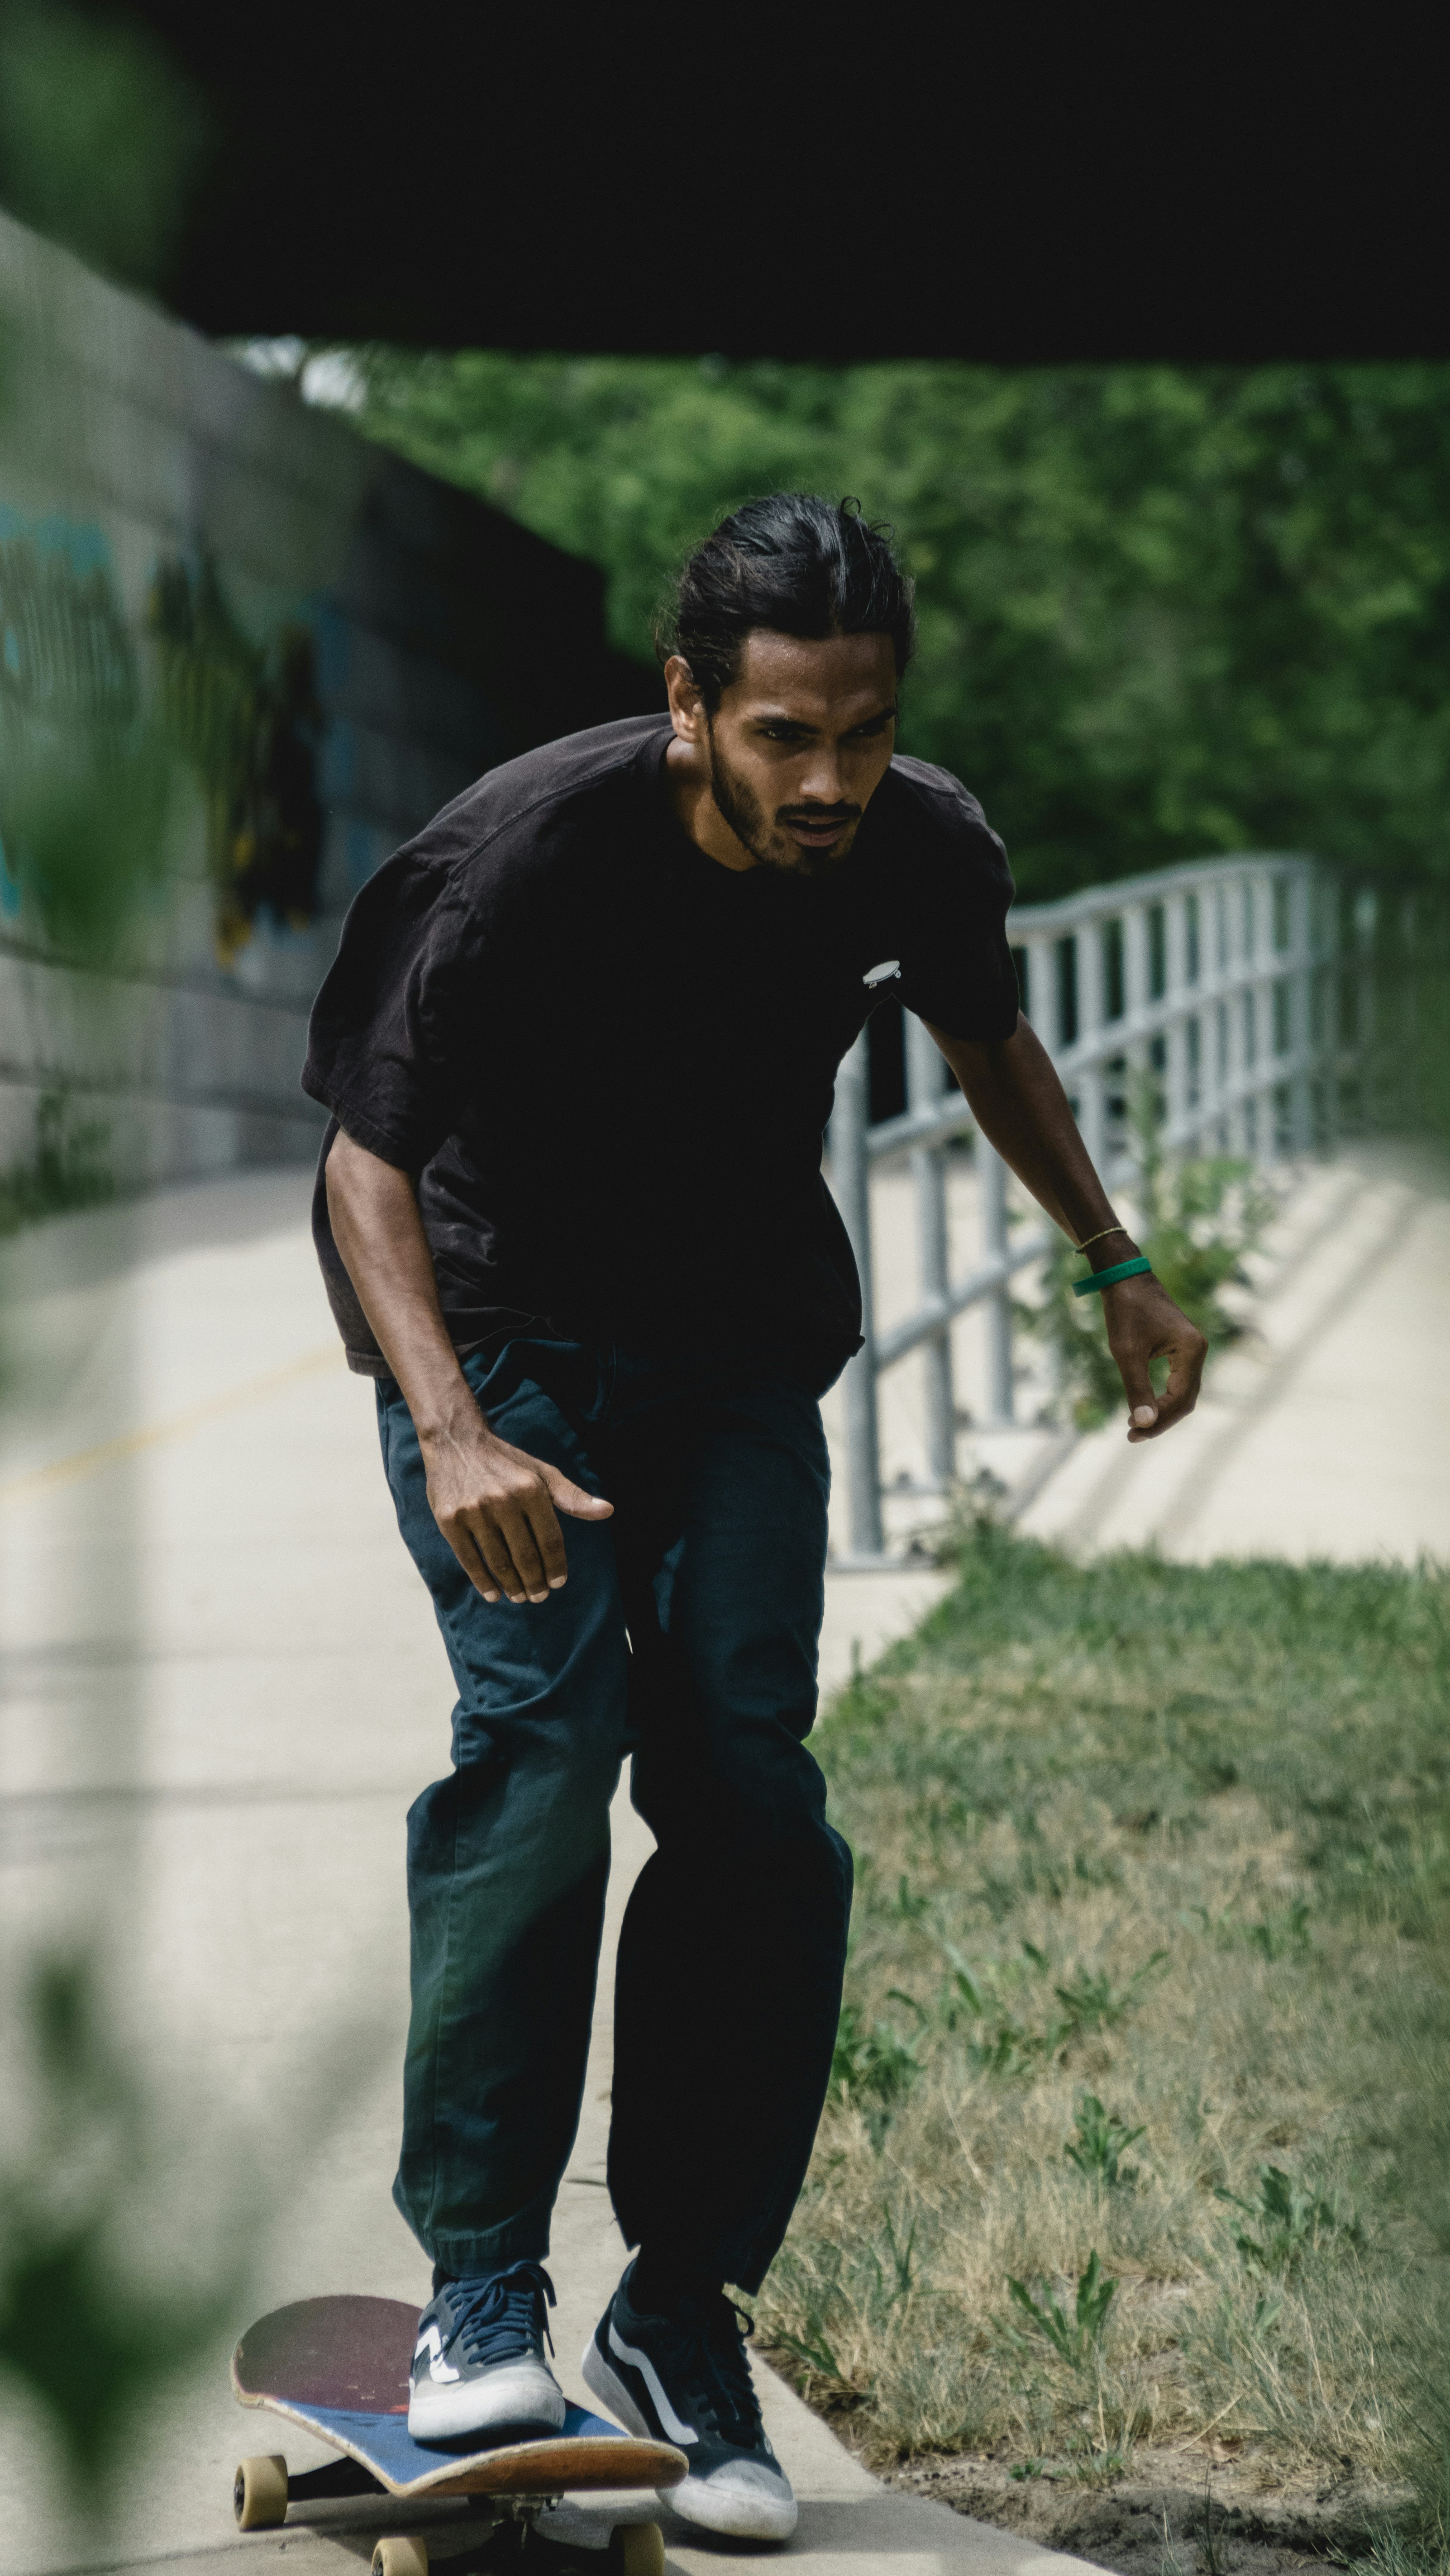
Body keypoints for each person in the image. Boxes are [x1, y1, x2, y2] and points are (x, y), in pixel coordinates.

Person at [302, 494, 1206, 2544]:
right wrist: (450, 1430)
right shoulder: (526, 852)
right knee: (544, 1748)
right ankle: (480, 2280)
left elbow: (986, 1033)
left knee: (746, 1785)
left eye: (864, 734)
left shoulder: (921, 843)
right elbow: (367, 1163)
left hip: (727, 1354)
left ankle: (679, 2308)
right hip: (502, 1343)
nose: (828, 782)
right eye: (786, 734)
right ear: (689, 702)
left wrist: (1118, 1261)